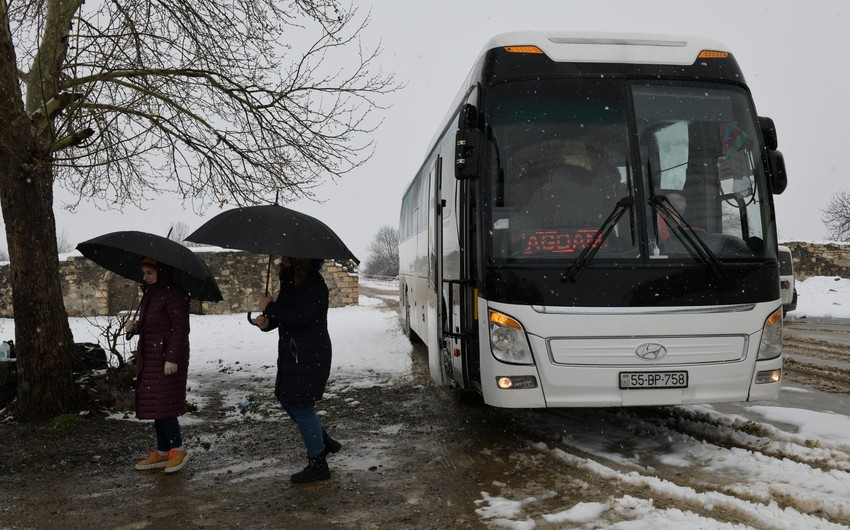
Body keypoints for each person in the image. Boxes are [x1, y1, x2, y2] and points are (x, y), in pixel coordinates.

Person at [251, 257, 341, 483]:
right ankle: (321, 440)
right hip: (294, 353)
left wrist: (269, 306)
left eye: (288, 257)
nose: (282, 260)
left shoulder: (312, 284)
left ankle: (318, 462)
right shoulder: (291, 281)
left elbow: (301, 317)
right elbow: (285, 315)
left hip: (310, 354)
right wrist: (267, 322)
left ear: (301, 260)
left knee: (300, 404)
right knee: (285, 398)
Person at [125, 257, 191, 473]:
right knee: (156, 404)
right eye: (144, 273)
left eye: (150, 273)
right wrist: (136, 326)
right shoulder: (150, 294)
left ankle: (178, 449)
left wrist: (172, 358)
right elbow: (154, 325)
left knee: (164, 404)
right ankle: (163, 451)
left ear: (161, 272)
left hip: (166, 359)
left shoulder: (174, 295)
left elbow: (180, 329)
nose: (145, 277)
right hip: (150, 357)